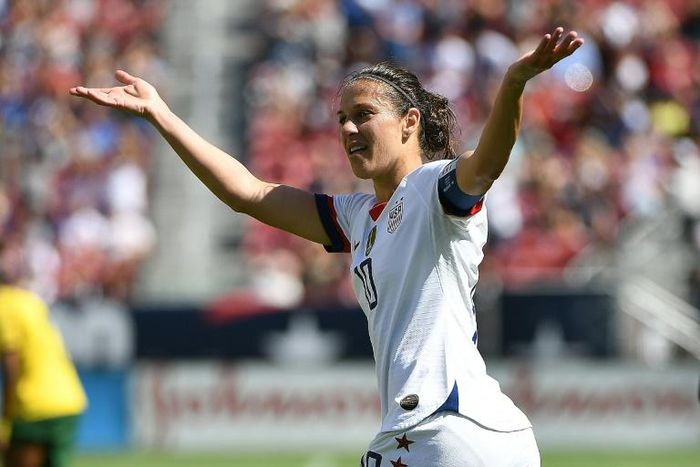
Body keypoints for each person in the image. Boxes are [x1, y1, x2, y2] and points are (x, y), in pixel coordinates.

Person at [71, 27, 583, 466]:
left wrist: (513, 85)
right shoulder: (357, 218)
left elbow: (486, 164)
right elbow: (248, 193)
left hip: (447, 426)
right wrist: (161, 115)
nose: (347, 128)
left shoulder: (433, 191)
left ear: (410, 123)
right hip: (438, 432)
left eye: (363, 114)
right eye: (341, 117)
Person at [0, 244, 88, 467]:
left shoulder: (4, 307)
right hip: (69, 399)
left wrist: (6, 424)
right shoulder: (29, 300)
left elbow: (12, 368)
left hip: (34, 406)